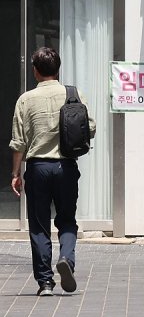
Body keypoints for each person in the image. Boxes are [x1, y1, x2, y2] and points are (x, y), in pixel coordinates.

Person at [9, 47, 96, 296]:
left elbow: (19, 142)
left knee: (38, 224)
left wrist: (15, 173)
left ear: (35, 71)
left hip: (37, 167)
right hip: (66, 166)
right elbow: (90, 128)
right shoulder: (74, 95)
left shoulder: (25, 100)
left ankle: (45, 282)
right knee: (67, 219)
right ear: (58, 69)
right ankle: (66, 259)